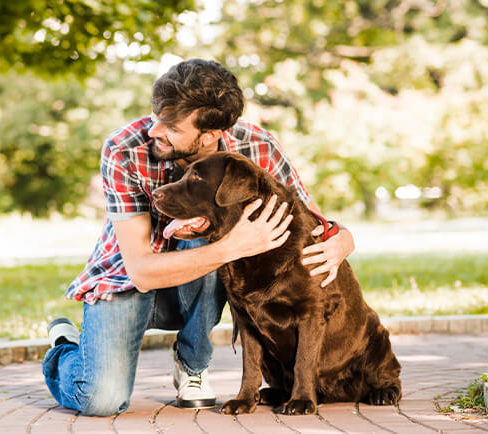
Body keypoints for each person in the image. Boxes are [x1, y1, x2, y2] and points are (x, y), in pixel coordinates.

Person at [42, 59, 355, 416]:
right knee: (100, 399)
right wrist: (233, 246)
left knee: (212, 240)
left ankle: (192, 366)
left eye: (171, 125)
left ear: (209, 135)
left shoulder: (258, 147)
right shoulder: (124, 149)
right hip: (127, 280)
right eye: (156, 115)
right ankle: (65, 346)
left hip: (199, 285)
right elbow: (141, 270)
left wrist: (344, 238)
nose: (154, 131)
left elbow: (313, 222)